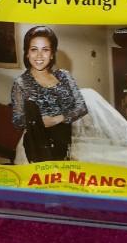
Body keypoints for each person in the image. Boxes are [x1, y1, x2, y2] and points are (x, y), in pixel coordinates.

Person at [11, 26, 87, 162]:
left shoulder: (64, 76)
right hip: (38, 147)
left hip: (66, 142)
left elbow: (81, 107)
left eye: (45, 50)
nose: (39, 55)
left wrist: (57, 119)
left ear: (52, 54)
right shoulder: (21, 83)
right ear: (27, 53)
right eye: (34, 49)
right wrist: (38, 121)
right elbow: (17, 121)